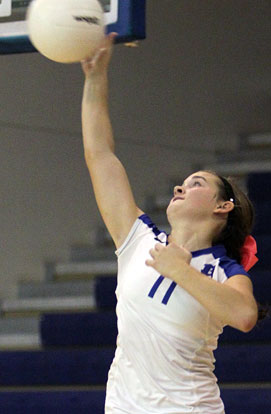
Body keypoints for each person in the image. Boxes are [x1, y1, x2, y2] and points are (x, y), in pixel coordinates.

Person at [81, 34, 259, 414]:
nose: (181, 185)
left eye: (198, 184)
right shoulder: (139, 240)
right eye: (184, 181)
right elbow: (100, 156)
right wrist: (95, 80)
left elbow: (245, 316)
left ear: (222, 206)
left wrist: (182, 270)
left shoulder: (224, 271)